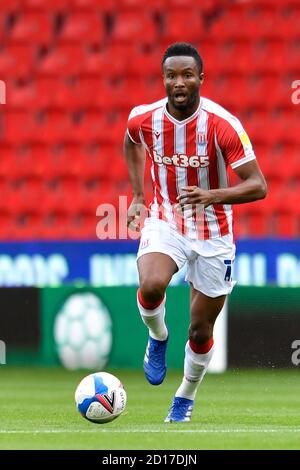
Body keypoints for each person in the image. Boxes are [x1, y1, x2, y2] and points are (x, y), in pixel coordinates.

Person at [124, 42, 267, 422]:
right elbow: (131, 141)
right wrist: (139, 195)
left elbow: (258, 185)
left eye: (188, 74)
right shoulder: (145, 118)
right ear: (164, 79)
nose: (180, 82)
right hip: (166, 218)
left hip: (214, 232)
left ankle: (185, 396)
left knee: (201, 329)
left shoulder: (223, 125)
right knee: (152, 284)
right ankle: (157, 338)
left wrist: (212, 195)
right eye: (172, 75)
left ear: (201, 78)